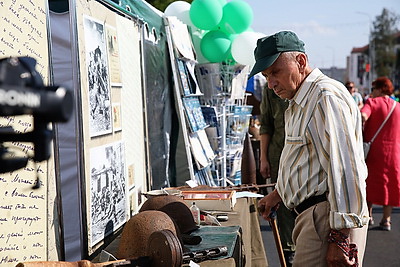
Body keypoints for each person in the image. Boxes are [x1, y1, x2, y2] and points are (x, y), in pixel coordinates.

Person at [249, 31, 369, 266]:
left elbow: (345, 169)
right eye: (266, 75)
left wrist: (340, 239)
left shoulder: (324, 97)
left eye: (275, 72)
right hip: (314, 219)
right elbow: (305, 161)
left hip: (325, 222)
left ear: (301, 62)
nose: (271, 83)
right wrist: (279, 194)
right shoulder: (299, 99)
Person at [259, 87, 296, 265]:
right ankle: (288, 252)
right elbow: (266, 124)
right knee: (282, 207)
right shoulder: (271, 90)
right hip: (278, 157)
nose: (271, 80)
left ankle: (300, 249)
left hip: (301, 158)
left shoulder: (310, 91)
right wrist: (263, 158)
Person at [360, 77, 400, 231]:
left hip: (374, 152)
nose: (371, 93)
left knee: (369, 182)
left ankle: (368, 215)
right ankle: (386, 219)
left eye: (373, 89)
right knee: (390, 184)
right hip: (394, 153)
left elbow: (363, 115)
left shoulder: (372, 103)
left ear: (380, 89)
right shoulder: (397, 106)